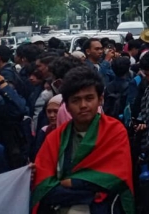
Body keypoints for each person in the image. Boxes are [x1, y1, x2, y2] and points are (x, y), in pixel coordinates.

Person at [32, 66, 135, 214]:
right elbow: (44, 187)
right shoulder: (55, 138)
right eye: (76, 100)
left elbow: (116, 178)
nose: (83, 106)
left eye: (89, 98)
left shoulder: (114, 130)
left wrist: (71, 182)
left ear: (100, 99)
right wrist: (91, 191)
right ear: (66, 105)